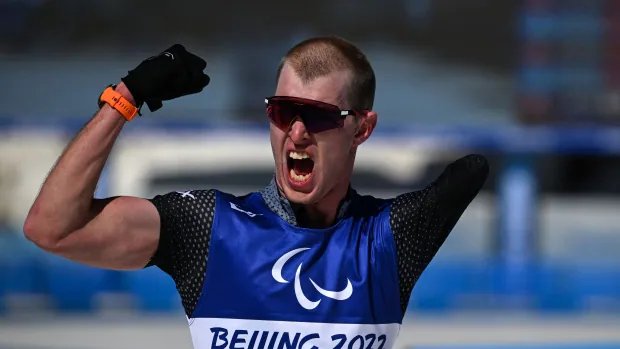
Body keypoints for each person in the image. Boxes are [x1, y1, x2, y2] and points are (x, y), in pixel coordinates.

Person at [24, 37, 488, 349]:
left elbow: (472, 169)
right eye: (284, 111)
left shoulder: (388, 238)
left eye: (320, 116)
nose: (298, 132)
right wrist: (124, 98)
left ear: (361, 128)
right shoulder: (208, 226)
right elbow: (51, 228)